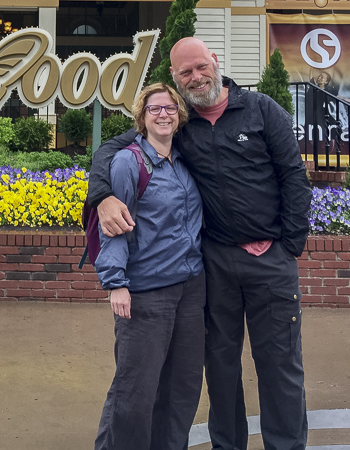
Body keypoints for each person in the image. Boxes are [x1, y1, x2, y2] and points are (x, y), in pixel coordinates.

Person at [87, 38, 313, 450]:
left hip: (272, 263)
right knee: (220, 368)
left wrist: (288, 247)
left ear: (215, 63)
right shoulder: (179, 120)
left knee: (280, 366)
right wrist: (102, 196)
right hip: (217, 267)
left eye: (200, 67)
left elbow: (294, 178)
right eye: (185, 73)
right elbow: (113, 149)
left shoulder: (262, 110)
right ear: (174, 78)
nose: (195, 77)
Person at [93, 83, 205, 450]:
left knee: (182, 388)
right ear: (142, 117)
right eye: (154, 109)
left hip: (189, 291)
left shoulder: (185, 160)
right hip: (146, 293)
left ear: (180, 115)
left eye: (170, 108)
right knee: (136, 391)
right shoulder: (129, 162)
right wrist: (116, 283)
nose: (163, 114)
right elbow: (113, 227)